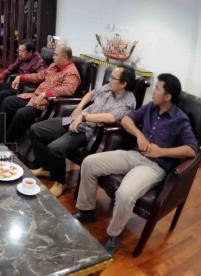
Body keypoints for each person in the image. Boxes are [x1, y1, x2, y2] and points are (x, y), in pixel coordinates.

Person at [74, 73, 198, 255]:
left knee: (124, 193)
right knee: (90, 163)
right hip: (134, 155)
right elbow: (126, 119)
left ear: (168, 96)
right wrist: (139, 135)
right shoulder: (150, 108)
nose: (153, 91)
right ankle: (87, 210)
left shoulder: (180, 120)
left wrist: (161, 151)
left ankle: (114, 234)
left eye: (157, 88)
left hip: (154, 166)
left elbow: (192, 150)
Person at [30, 65, 137, 197]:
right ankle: (47, 168)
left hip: (90, 131)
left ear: (123, 83)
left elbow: (110, 118)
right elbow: (91, 94)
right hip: (75, 120)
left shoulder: (128, 102)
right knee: (36, 129)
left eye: (112, 78)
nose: (109, 80)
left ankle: (59, 182)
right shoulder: (109, 87)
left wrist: (84, 117)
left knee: (55, 148)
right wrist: (80, 107)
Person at [0, 45, 80, 143]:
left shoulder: (72, 73)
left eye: (55, 55)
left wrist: (45, 94)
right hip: (34, 97)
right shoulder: (53, 66)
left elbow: (68, 90)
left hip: (45, 105)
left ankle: (7, 142)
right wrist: (21, 77)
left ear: (64, 57)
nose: (53, 57)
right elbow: (39, 76)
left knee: (21, 113)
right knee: (7, 101)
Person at [0, 39, 44, 120]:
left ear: (30, 52)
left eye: (22, 51)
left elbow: (41, 76)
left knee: (2, 94)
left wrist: (23, 77)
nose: (19, 53)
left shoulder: (38, 61)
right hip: (16, 84)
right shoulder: (22, 57)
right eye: (18, 50)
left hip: (25, 88)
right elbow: (11, 68)